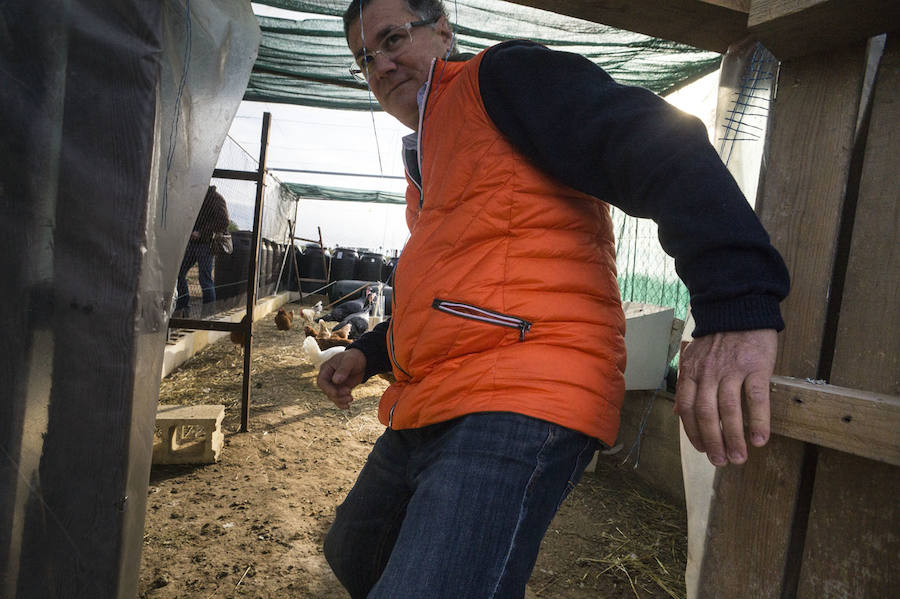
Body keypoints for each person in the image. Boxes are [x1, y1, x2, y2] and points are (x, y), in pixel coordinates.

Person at [316, 1, 790, 597]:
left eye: (391, 40)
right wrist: (369, 353)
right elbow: (446, 295)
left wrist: (736, 305)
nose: (380, 65)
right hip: (436, 393)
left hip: (524, 388)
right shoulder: (430, 159)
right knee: (354, 553)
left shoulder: (502, 80)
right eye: (364, 59)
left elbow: (658, 146)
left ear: (442, 29)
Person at [175, 185, 229, 315]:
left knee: (204, 279)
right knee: (179, 273)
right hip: (191, 242)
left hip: (206, 244)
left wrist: (201, 233)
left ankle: (208, 314)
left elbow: (224, 222)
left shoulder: (216, 199)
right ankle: (183, 308)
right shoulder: (194, 197)